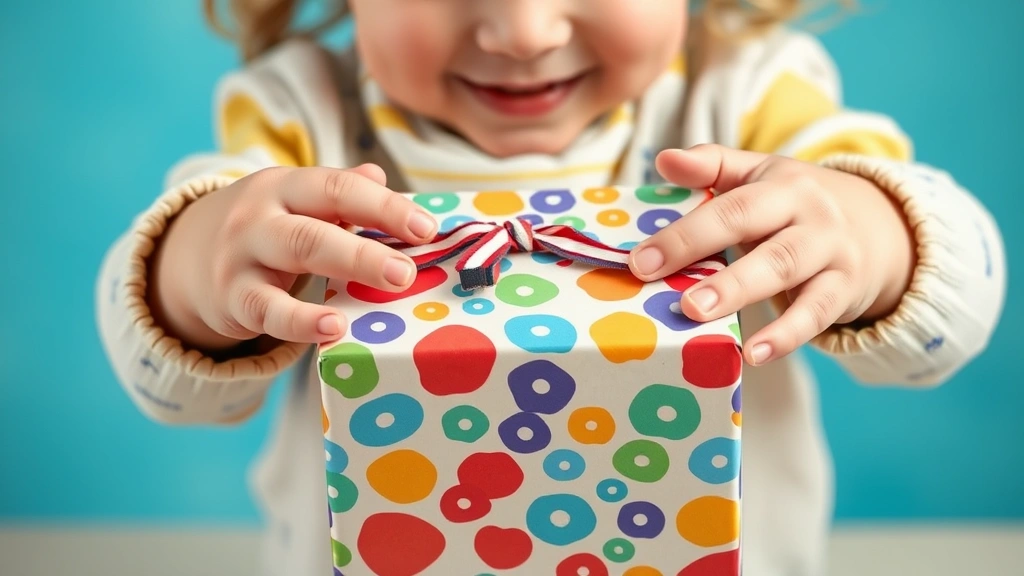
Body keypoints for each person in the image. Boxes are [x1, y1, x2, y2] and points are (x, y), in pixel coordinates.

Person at [95, 1, 1006, 574]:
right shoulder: (303, 120)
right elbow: (159, 378)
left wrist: (872, 234)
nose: (524, 31)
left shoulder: (746, 104)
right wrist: (198, 266)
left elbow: (951, 319)